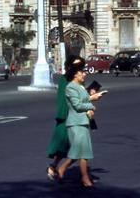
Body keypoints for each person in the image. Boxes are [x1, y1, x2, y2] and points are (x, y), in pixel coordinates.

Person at [56, 59, 104, 188]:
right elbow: (77, 105)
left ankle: (62, 170)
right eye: (82, 72)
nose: (85, 74)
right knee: (81, 151)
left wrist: (93, 98)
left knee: (81, 152)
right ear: (75, 74)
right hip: (75, 123)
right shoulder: (70, 87)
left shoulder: (80, 87)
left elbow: (83, 99)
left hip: (83, 122)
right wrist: (91, 105)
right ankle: (85, 178)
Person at [46, 55, 81, 181]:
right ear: (69, 66)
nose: (79, 68)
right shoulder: (64, 79)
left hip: (77, 117)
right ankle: (60, 169)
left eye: (80, 65)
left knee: (69, 148)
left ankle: (54, 167)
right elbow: (63, 99)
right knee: (75, 148)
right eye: (76, 65)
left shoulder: (78, 79)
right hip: (68, 117)